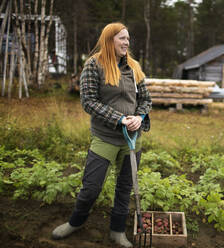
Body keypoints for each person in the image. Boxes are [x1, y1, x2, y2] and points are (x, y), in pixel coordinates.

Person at [51, 22, 152, 248]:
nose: (127, 43)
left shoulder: (134, 67)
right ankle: (75, 222)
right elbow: (88, 101)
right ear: (109, 40)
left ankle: (117, 231)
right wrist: (118, 119)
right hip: (105, 137)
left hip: (132, 140)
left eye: (128, 39)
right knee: (91, 187)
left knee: (125, 188)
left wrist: (139, 116)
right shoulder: (94, 65)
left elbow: (146, 100)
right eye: (122, 39)